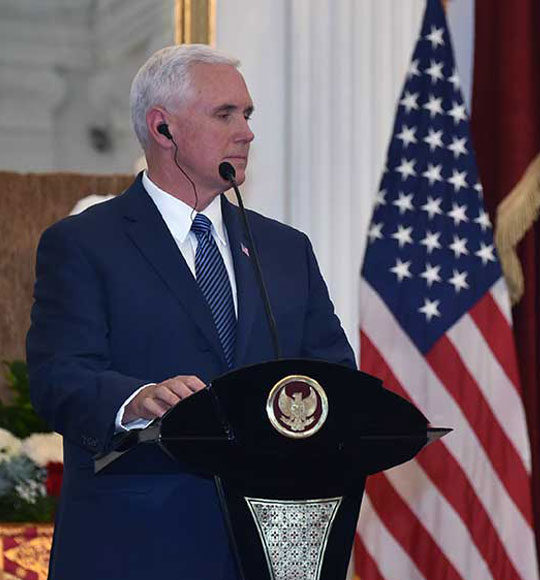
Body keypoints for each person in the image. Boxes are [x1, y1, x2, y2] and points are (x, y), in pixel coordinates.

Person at [26, 45, 355, 580]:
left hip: (269, 550)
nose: (246, 133)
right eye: (225, 115)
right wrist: (135, 399)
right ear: (163, 128)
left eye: (247, 114)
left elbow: (334, 376)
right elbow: (58, 377)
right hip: (136, 549)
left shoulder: (284, 249)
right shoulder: (84, 243)